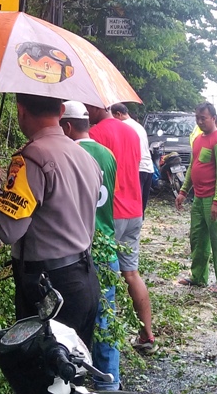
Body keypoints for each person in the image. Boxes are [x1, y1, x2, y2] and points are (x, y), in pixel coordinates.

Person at [0, 94, 101, 349]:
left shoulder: (31, 158)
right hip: (85, 277)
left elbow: (8, 228)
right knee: (71, 371)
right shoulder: (85, 156)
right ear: (62, 109)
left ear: (21, 110)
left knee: (40, 375)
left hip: (48, 288)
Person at [87, 104, 157, 354]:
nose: (85, 110)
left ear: (96, 106)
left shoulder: (94, 135)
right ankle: (147, 336)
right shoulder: (132, 132)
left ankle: (104, 344)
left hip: (110, 215)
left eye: (87, 106)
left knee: (102, 276)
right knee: (131, 274)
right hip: (134, 210)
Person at [61, 101, 121, 391]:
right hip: (107, 245)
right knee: (106, 319)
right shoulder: (108, 154)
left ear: (67, 126)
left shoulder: (68, 154)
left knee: (72, 321)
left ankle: (73, 379)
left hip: (79, 249)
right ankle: (108, 381)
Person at [176, 102, 217, 293]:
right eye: (198, 118)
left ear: (214, 118)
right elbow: (193, 167)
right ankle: (198, 276)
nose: (200, 122)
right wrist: (184, 191)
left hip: (215, 197)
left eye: (204, 118)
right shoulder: (199, 140)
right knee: (198, 238)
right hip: (199, 198)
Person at [110, 103, 153, 213]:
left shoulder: (124, 127)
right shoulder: (138, 126)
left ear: (118, 114)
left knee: (130, 206)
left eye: (113, 117)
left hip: (137, 169)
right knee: (140, 206)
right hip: (148, 168)